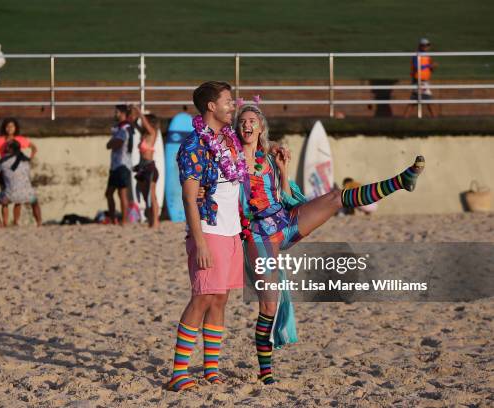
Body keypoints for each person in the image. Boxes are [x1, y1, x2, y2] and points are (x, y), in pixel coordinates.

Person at [234, 103, 425, 384]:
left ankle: (401, 180)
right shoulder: (230, 159)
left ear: (261, 127)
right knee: (269, 307)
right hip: (258, 235)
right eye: (242, 122)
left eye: (252, 120)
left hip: (284, 222)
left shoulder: (270, 159)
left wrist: (284, 171)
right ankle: (266, 374)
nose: (247, 125)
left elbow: (288, 197)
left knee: (336, 198)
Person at [167, 81, 248, 392]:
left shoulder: (229, 140)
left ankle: (211, 369)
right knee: (202, 296)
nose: (233, 105)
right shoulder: (193, 145)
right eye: (228, 101)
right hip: (209, 229)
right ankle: (178, 372)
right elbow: (189, 198)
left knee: (221, 297)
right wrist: (199, 241)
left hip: (231, 230)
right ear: (211, 106)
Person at [0, 118, 38, 226]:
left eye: (12, 126)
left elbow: (34, 148)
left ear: (16, 128)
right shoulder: (0, 140)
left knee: (18, 199)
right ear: (4, 128)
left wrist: (29, 159)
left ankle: (16, 221)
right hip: (5, 170)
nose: (9, 129)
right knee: (4, 197)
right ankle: (5, 222)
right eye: (7, 126)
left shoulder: (20, 139)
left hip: (16, 169)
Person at [0, 141, 42, 227]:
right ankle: (39, 223)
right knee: (35, 202)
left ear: (9, 149)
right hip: (28, 195)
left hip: (10, 197)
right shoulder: (25, 160)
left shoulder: (3, 161)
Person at [131, 106, 161, 228]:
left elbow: (145, 123)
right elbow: (134, 124)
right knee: (145, 196)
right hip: (142, 167)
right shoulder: (143, 135)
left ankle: (156, 222)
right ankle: (150, 221)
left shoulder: (152, 133)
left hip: (150, 167)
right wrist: (132, 115)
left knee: (152, 196)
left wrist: (139, 111)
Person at [105, 105, 134, 225]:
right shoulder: (118, 128)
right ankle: (113, 219)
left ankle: (124, 220)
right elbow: (109, 145)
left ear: (122, 113)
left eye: (116, 112)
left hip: (123, 165)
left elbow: (117, 143)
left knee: (122, 194)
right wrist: (112, 142)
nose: (115, 114)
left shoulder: (125, 128)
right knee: (109, 193)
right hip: (115, 165)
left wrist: (112, 142)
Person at [403, 38, 438, 118]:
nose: (426, 47)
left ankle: (403, 121)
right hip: (419, 81)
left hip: (424, 81)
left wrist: (432, 67)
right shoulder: (417, 55)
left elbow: (428, 69)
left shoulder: (428, 56)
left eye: (427, 45)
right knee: (428, 102)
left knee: (414, 102)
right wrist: (430, 66)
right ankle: (436, 121)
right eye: (424, 45)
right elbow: (417, 66)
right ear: (420, 46)